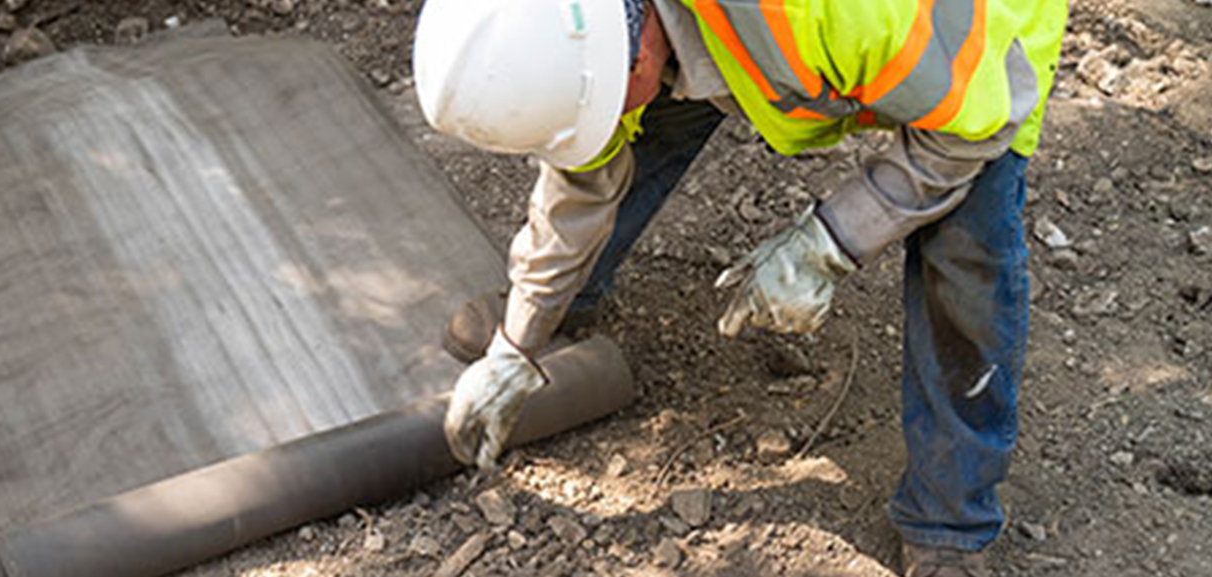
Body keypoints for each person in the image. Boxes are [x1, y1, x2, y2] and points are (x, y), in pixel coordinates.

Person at [414, 0, 1066, 575]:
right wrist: (518, 339)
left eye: (602, 101)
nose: (600, 122)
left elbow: (972, 121)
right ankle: (573, 299)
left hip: (977, 44)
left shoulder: (829, 15)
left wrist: (831, 241)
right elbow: (580, 177)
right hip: (748, 35)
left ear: (633, 50)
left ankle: (950, 519)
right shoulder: (587, 29)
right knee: (644, 122)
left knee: (967, 242)